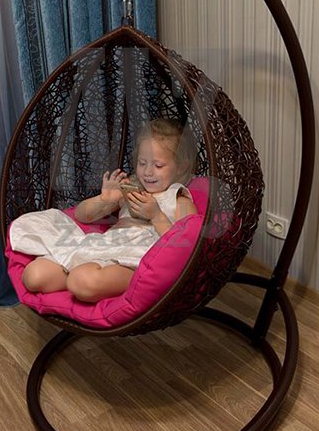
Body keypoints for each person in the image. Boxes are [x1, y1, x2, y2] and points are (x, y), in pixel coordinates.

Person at [10, 118, 198, 303]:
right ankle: (85, 279)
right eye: (142, 163)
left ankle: (132, 284)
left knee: (81, 280)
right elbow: (81, 215)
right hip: (105, 246)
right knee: (34, 276)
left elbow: (187, 247)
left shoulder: (178, 199)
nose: (148, 172)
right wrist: (104, 200)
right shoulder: (131, 188)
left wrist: (156, 215)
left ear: (180, 166)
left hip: (135, 261)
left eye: (158, 165)